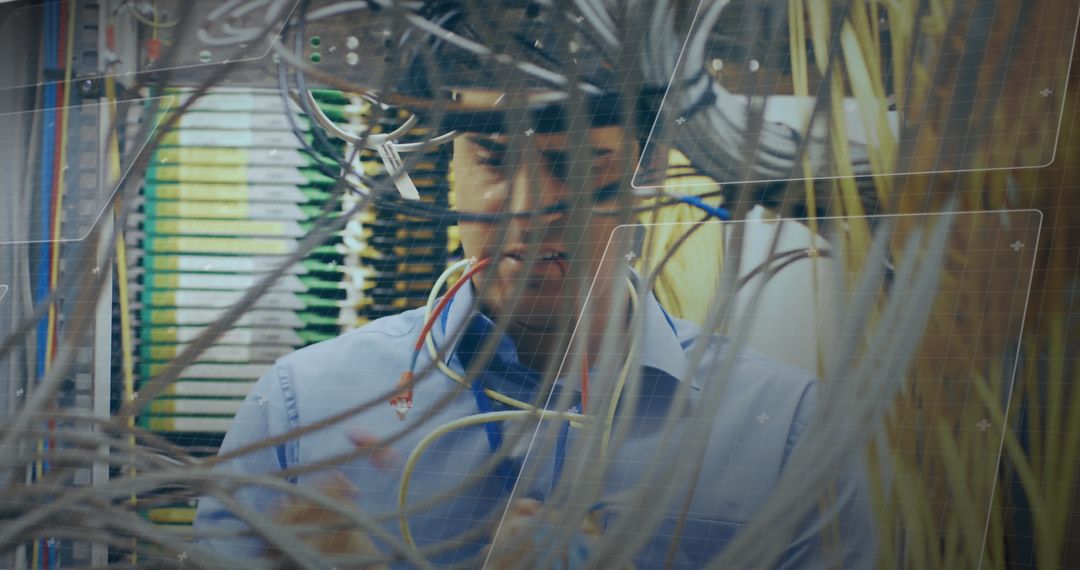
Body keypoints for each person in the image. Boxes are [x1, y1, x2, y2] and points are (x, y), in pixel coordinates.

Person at [192, 88, 877, 569]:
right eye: (491, 158)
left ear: (651, 173)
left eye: (576, 163)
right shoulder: (302, 414)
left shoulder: (784, 433)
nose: (526, 207)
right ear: (451, 169)